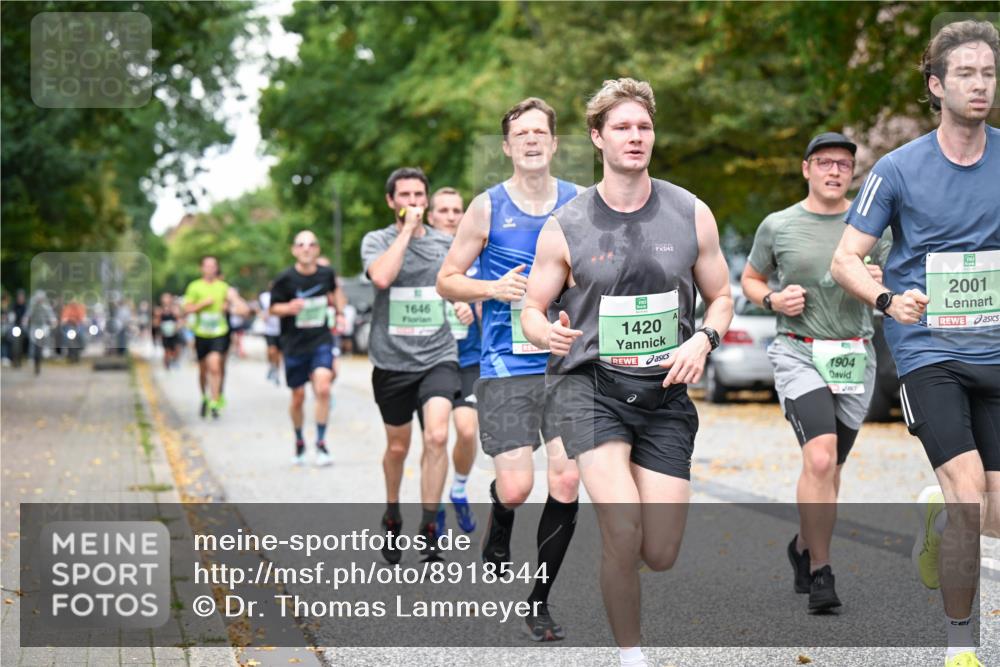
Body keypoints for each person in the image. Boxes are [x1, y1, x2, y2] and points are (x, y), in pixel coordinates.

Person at [520, 78, 733, 666]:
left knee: (657, 551)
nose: (635, 137)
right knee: (621, 528)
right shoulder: (566, 224)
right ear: (597, 137)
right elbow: (532, 310)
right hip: (591, 389)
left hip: (665, 396)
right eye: (622, 127)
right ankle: (631, 656)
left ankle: (621, 563)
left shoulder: (692, 212)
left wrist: (705, 340)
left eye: (643, 127)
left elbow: (721, 297)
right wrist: (546, 333)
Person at [831, 20, 999, 667]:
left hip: (997, 350)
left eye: (988, 72)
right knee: (967, 494)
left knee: (989, 512)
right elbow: (847, 258)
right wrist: (886, 300)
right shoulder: (898, 170)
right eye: (966, 73)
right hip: (930, 351)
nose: (980, 83)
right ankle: (962, 646)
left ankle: (936, 517)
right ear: (937, 84)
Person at [436, 98, 585, 641]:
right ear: (507, 146)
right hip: (504, 362)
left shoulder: (579, 202)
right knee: (519, 487)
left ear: (553, 142)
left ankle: (539, 602)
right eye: (520, 133)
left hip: (566, 362)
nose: (530, 140)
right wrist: (491, 288)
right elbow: (447, 279)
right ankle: (500, 520)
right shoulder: (487, 207)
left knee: (567, 479)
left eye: (539, 132)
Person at [742, 131, 891, 613]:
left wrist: (881, 284)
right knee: (821, 459)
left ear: (853, 173)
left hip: (855, 355)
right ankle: (823, 572)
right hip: (799, 351)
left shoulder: (872, 228)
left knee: (832, 467)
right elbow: (751, 279)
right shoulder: (778, 226)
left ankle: (804, 545)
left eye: (844, 165)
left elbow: (893, 284)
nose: (834, 171)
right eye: (824, 162)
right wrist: (772, 299)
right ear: (806, 168)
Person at [361, 167, 460, 564]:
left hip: (439, 355)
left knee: (437, 436)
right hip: (391, 361)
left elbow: (458, 284)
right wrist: (406, 232)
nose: (413, 203)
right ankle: (391, 511)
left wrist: (465, 305)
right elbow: (383, 278)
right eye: (404, 196)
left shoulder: (444, 243)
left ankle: (431, 524)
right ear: (391, 201)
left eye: (419, 195)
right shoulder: (377, 241)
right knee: (398, 447)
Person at [270, 231, 346, 467]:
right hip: (294, 344)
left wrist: (341, 314)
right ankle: (300, 440)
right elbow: (272, 309)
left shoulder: (326, 274)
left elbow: (336, 293)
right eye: (301, 245)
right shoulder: (284, 279)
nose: (306, 248)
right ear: (294, 250)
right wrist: (289, 307)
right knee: (298, 397)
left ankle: (321, 443)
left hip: (320, 340)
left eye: (311, 244)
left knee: (323, 388)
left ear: (317, 250)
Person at [427, 186, 479, 534]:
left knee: (467, 430)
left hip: (470, 357)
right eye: (443, 210)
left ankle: (458, 489)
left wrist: (473, 305)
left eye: (456, 210)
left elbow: (495, 296)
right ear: (431, 216)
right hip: (431, 360)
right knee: (436, 435)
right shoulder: (423, 257)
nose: (450, 216)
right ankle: (433, 511)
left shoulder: (476, 255)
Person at [183, 257, 248, 419]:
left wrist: (236, 305)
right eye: (207, 266)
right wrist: (202, 304)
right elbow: (187, 309)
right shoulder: (194, 286)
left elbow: (239, 305)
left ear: (216, 269)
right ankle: (204, 396)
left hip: (219, 332)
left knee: (215, 366)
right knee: (203, 370)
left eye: (213, 266)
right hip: (201, 333)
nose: (210, 269)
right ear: (202, 268)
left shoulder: (223, 287)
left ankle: (215, 400)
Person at [258, 282, 283, 385]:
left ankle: (276, 371)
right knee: (271, 351)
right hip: (269, 330)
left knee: (279, 353)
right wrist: (262, 315)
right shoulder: (264, 297)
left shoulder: (283, 297)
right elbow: (259, 309)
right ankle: (271, 366)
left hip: (281, 330)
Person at [154, 293, 182, 370]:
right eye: (164, 299)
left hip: (174, 333)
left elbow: (179, 320)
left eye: (168, 298)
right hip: (165, 334)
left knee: (176, 348)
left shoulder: (175, 309)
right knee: (166, 350)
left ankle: (174, 360)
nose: (166, 301)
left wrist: (177, 326)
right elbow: (156, 323)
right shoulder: (159, 311)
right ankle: (166, 365)